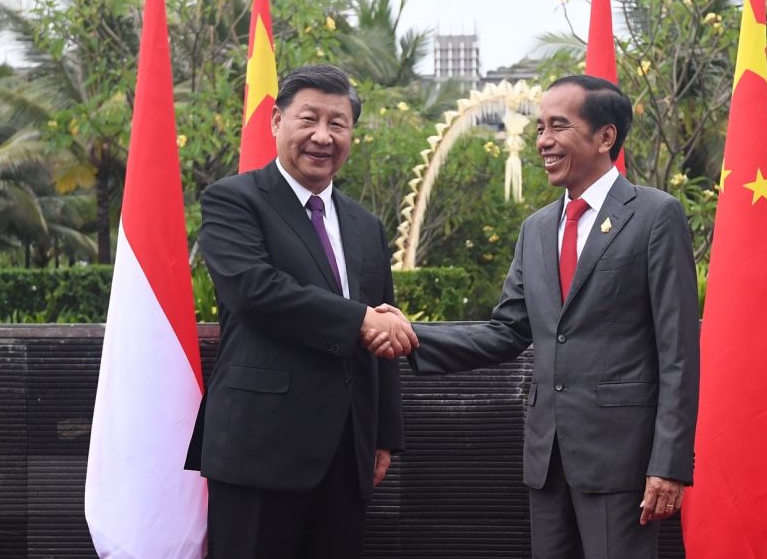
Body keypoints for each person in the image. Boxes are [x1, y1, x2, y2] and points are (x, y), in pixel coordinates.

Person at [370, 75, 699, 558]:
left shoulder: (654, 216)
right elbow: (508, 331)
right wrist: (408, 334)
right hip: (547, 458)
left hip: (621, 459)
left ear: (605, 137)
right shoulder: (538, 228)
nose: (542, 140)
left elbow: (678, 352)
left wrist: (668, 463)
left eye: (558, 126)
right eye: (541, 127)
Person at [186, 64, 417, 559]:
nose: (322, 136)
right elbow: (256, 292)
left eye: (338, 123)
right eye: (308, 119)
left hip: (346, 449)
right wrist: (360, 320)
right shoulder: (233, 200)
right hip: (259, 445)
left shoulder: (365, 224)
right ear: (275, 121)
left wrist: (382, 434)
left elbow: (383, 324)